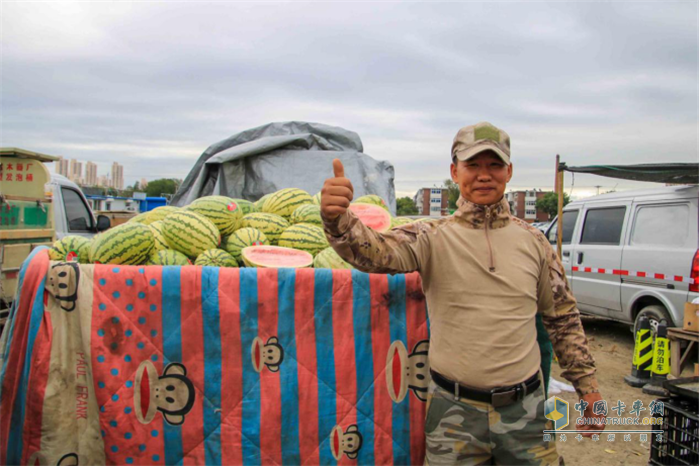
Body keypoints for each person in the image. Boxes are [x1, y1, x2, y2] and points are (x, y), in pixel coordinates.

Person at [320, 122, 605, 465]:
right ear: (455, 172)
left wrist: (588, 388)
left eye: (494, 165)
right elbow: (373, 252)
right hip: (452, 414)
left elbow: (562, 319)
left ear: (509, 171)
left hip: (526, 411)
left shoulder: (535, 242)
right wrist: (337, 219)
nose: (484, 175)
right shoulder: (431, 237)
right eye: (472, 165)